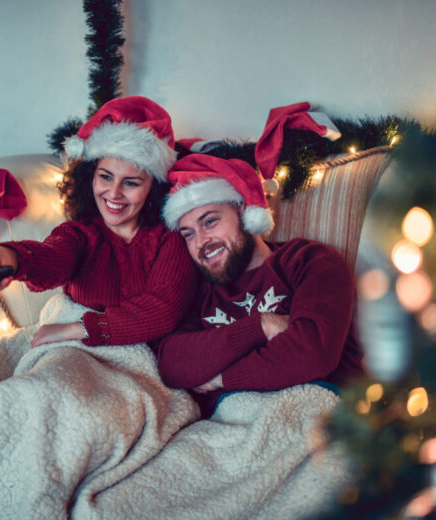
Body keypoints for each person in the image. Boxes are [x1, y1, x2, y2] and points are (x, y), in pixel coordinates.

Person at [0, 96, 197, 347]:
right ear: (90, 178)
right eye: (106, 177)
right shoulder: (79, 234)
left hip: (129, 355)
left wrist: (78, 329)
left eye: (131, 183)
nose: (114, 193)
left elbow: (162, 311)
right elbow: (52, 256)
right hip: (74, 352)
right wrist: (10, 258)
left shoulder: (170, 239)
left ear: (154, 188)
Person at [153, 153, 364, 417]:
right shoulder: (199, 289)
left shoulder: (309, 260)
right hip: (231, 426)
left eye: (210, 222)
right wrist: (261, 326)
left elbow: (312, 353)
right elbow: (172, 364)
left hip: (321, 412)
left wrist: (220, 378)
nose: (201, 242)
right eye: (189, 234)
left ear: (244, 212)